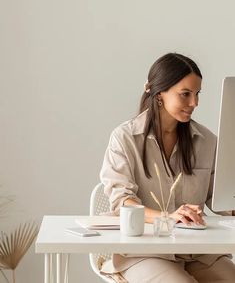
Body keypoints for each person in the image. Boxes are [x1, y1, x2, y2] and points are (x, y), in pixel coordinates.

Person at [99, 53, 235, 283]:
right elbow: (123, 202)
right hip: (144, 252)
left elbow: (221, 200)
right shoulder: (125, 138)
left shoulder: (207, 141)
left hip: (198, 253)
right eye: (185, 94)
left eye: (197, 94)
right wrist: (168, 217)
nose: (195, 103)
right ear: (159, 93)